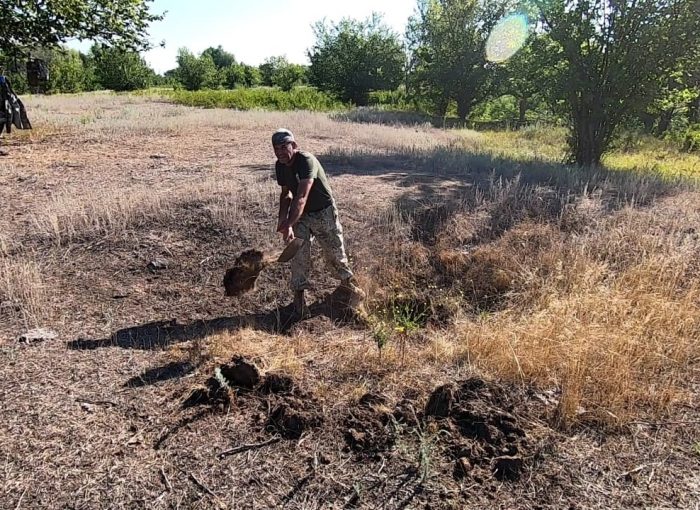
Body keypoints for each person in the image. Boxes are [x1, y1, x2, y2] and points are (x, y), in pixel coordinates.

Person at [272, 128, 363, 317]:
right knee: (298, 255)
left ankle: (353, 291)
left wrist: (289, 223)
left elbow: (301, 196)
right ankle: (299, 300)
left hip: (323, 212)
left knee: (334, 255)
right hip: (302, 217)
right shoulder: (280, 165)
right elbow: (286, 194)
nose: (280, 152)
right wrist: (283, 222)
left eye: (284, 147)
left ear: (294, 146)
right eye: (276, 148)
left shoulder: (306, 160)